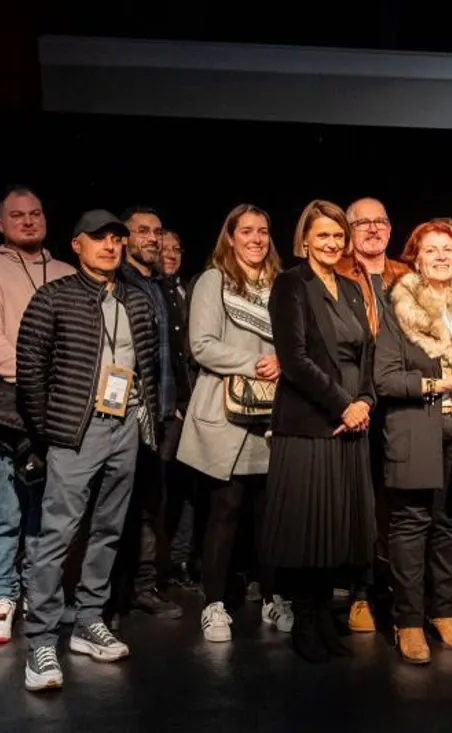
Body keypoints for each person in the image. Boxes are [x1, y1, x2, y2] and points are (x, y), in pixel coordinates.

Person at [18, 209, 160, 691]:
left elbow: (148, 366)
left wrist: (143, 419)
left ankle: (88, 621)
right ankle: (40, 640)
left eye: (117, 238)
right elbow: (30, 371)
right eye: (99, 238)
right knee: (57, 534)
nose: (110, 245)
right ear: (76, 244)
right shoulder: (53, 296)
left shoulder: (135, 299)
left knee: (109, 529)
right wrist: (52, 428)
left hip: (125, 425)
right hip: (76, 431)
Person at [375, 221, 452, 665]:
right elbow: (386, 379)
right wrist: (440, 383)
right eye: (431, 250)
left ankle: (443, 612)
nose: (442, 256)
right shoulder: (399, 307)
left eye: (448, 249)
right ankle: (408, 621)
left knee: (451, 524)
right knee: (411, 527)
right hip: (416, 430)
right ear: (416, 257)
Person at [261, 200, 376, 663]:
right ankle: (305, 621)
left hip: (352, 421)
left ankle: (325, 616)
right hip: (311, 423)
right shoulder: (291, 284)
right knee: (309, 530)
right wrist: (343, 404)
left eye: (338, 236)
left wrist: (365, 400)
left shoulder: (350, 288)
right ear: (305, 240)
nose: (331, 243)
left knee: (337, 529)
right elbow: (294, 359)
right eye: (322, 235)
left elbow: (368, 354)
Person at [0, 185, 76, 646]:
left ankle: (36, 592)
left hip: (61, 410)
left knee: (46, 509)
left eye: (35, 213)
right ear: (0, 224)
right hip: (9, 408)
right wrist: (47, 380)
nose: (28, 221)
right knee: (4, 506)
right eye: (17, 215)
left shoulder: (68, 272)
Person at [178, 204, 289, 642]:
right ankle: (214, 605)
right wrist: (258, 363)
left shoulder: (280, 284)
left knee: (269, 516)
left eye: (263, 231)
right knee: (224, 512)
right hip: (227, 412)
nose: (256, 239)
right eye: (246, 231)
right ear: (230, 237)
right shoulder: (214, 280)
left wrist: (284, 362)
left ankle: (273, 598)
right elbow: (202, 345)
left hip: (273, 413)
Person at [333, 197, 410, 633]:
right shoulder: (337, 272)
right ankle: (359, 593)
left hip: (401, 403)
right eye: (362, 222)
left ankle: (400, 593)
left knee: (397, 502)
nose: (373, 228)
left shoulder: (407, 275)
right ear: (349, 230)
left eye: (380, 221)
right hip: (358, 400)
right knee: (358, 500)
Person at [110, 206, 183, 622]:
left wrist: (174, 402)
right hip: (125, 410)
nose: (152, 238)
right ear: (126, 237)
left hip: (161, 412)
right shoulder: (118, 280)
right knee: (119, 503)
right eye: (143, 231)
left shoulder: (159, 285)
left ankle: (143, 587)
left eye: (157, 231)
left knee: (151, 503)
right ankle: (114, 593)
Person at [159, 229, 201, 590]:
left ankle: (181, 558)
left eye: (177, 249)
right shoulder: (146, 292)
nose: (171, 254)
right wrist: (169, 403)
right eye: (163, 248)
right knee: (157, 488)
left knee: (188, 487)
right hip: (164, 408)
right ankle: (154, 566)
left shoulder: (189, 291)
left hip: (192, 405)